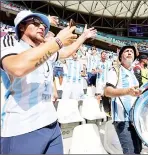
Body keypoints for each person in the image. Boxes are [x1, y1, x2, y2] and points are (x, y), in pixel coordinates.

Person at [0, 10, 96, 154]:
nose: (42, 27)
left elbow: (66, 51)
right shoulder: (10, 42)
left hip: (51, 124)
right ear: (21, 27)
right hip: (22, 127)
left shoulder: (45, 50)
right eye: (36, 22)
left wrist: (83, 36)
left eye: (44, 24)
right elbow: (17, 68)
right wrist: (57, 41)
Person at [104, 45, 142, 154]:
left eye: (131, 51)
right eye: (126, 51)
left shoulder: (134, 75)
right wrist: (127, 91)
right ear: (120, 57)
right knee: (130, 152)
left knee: (138, 150)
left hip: (134, 119)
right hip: (122, 119)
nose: (129, 52)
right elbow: (107, 91)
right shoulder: (115, 70)